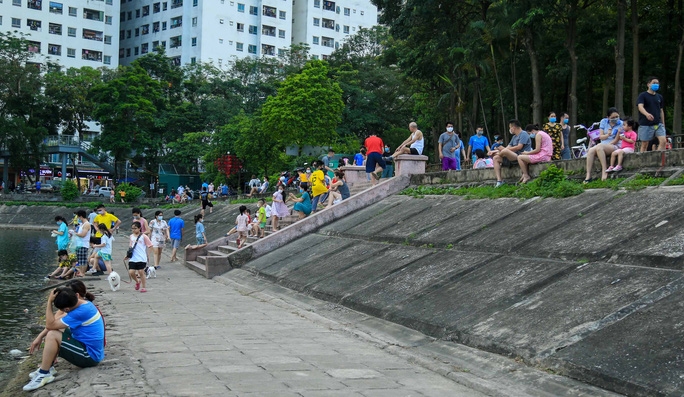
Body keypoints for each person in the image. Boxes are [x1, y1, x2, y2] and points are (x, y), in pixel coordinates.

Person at [23, 287, 104, 391]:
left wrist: (49, 302)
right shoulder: (82, 304)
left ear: (66, 309)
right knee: (58, 330)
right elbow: (54, 323)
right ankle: (49, 367)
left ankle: (44, 374)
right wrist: (40, 337)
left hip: (90, 357)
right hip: (90, 349)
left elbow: (50, 325)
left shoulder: (80, 312)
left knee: (52, 334)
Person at [488, 119, 532, 187]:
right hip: (512, 156)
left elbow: (519, 147)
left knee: (504, 151)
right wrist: (495, 151)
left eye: (510, 127)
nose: (510, 129)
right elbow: (507, 147)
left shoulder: (524, 134)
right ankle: (499, 181)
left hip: (520, 156)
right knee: (495, 158)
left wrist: (502, 150)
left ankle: (499, 154)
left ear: (513, 127)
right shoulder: (514, 137)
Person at [584, 107, 623, 183]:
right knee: (591, 150)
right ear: (608, 117)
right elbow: (601, 136)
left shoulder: (621, 124)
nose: (615, 119)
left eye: (617, 117)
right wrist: (608, 134)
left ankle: (604, 170)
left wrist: (609, 143)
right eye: (613, 117)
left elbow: (618, 139)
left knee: (599, 147)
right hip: (603, 144)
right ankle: (588, 175)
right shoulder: (603, 122)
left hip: (614, 145)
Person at [637, 76, 666, 152]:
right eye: (654, 83)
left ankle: (658, 158)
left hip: (658, 123)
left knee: (663, 141)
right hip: (646, 123)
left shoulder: (659, 97)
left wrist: (663, 123)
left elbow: (661, 110)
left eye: (657, 83)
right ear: (648, 84)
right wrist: (647, 114)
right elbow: (640, 106)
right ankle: (642, 161)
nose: (656, 84)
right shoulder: (643, 95)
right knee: (645, 144)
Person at [126, 221, 153, 292]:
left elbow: (150, 246)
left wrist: (148, 254)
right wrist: (128, 255)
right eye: (132, 228)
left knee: (141, 272)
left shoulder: (144, 237)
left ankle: (143, 287)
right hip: (133, 258)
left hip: (141, 257)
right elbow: (130, 246)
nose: (133, 230)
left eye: (135, 228)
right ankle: (137, 281)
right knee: (131, 272)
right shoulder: (131, 236)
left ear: (139, 228)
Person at [72, 210, 91, 277]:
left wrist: (75, 233)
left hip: (83, 244)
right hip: (79, 244)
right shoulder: (82, 224)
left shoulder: (86, 224)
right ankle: (81, 272)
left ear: (81, 216)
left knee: (83, 260)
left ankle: (83, 273)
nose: (78, 219)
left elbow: (83, 234)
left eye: (78, 217)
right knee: (80, 260)